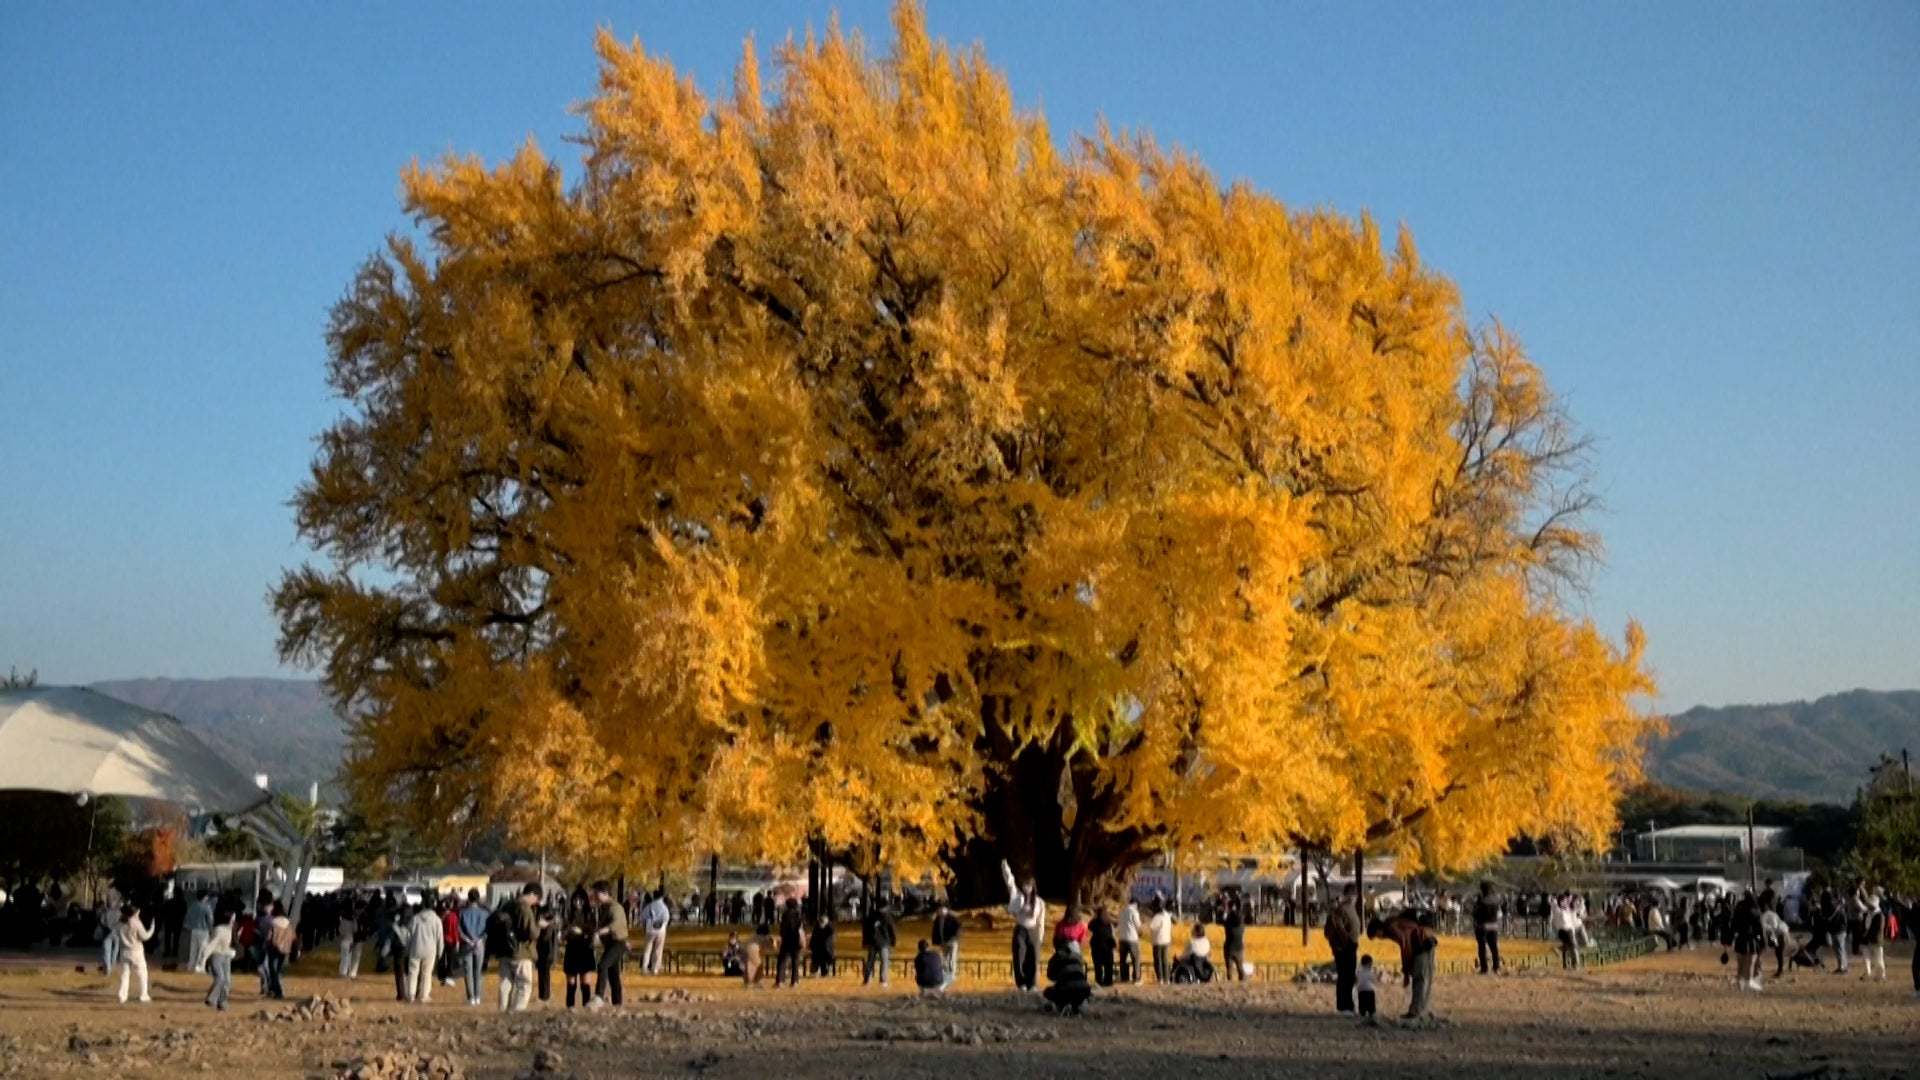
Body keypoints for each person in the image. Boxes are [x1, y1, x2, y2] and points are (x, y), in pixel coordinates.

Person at [1367, 913, 1438, 1021]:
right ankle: (1422, 1009)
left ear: (1378, 930)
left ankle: (1416, 1011)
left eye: (1377, 936)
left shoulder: (1391, 928)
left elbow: (1406, 946)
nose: (1381, 939)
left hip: (1421, 943)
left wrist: (1406, 971)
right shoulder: (1394, 922)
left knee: (1420, 978)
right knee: (1425, 978)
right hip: (1427, 940)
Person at [1000, 860, 1047, 992]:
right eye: (1025, 885)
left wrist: (1040, 936)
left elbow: (1041, 921)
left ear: (1033, 886)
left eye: (1029, 885)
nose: (1027, 888)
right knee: (1020, 954)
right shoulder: (1017, 897)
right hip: (1021, 929)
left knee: (1033, 957)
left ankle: (1032, 984)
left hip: (1033, 930)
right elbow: (1010, 882)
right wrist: (1005, 868)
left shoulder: (1039, 902)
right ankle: (1021, 983)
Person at [498, 883, 542, 1012]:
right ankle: (518, 1011)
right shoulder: (525, 908)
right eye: (537, 900)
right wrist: (540, 926)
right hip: (522, 952)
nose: (536, 903)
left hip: (505, 951)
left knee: (505, 984)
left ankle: (503, 1010)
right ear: (533, 895)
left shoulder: (507, 905)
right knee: (524, 984)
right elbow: (532, 932)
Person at [589, 880, 628, 1008]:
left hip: (618, 943)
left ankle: (599, 997)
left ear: (605, 893)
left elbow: (615, 925)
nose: (594, 895)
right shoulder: (602, 908)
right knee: (613, 973)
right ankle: (618, 1004)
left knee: (603, 965)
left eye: (596, 893)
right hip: (610, 944)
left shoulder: (615, 907)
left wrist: (600, 932)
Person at [1325, 885, 1363, 1014]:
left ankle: (1349, 1005)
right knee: (1344, 977)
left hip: (1351, 946)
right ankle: (1343, 1006)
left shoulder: (1350, 909)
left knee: (1350, 977)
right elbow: (1335, 928)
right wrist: (1343, 943)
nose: (1354, 898)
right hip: (1344, 947)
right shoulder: (1341, 910)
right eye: (1353, 896)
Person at [113, 902, 155, 1004]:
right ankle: (143, 995)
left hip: (124, 952)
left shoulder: (119, 923)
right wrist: (152, 927)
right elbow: (145, 936)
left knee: (124, 974)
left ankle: (122, 996)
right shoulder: (135, 922)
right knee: (142, 974)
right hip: (136, 951)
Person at [405, 899, 443, 1003]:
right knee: (427, 973)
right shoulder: (436, 920)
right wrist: (440, 951)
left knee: (413, 972)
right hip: (430, 949)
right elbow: (440, 937)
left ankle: (411, 994)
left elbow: (408, 935)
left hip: (416, 947)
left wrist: (407, 949)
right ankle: (424, 995)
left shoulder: (415, 918)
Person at [563, 889, 596, 1008]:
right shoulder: (568, 914)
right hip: (571, 948)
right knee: (571, 982)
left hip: (585, 948)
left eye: (580, 900)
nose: (577, 902)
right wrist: (568, 931)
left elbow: (592, 931)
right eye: (575, 899)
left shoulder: (590, 914)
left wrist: (584, 933)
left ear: (584, 901)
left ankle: (586, 1007)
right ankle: (570, 1007)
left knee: (585, 981)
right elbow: (563, 934)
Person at [456, 890, 490, 1006]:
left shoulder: (462, 913)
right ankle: (478, 996)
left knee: (468, 972)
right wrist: (480, 940)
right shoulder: (485, 913)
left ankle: (471, 997)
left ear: (469, 898)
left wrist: (467, 940)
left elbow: (459, 930)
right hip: (480, 945)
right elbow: (487, 930)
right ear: (479, 898)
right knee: (478, 972)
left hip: (467, 944)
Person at [1042, 938, 1093, 1016]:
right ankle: (1077, 1008)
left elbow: (1050, 976)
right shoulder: (1079, 958)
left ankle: (1059, 1007)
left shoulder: (1057, 956)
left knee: (1048, 991)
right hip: (1084, 989)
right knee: (1075, 991)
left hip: (1065, 990)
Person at [1731, 892, 1764, 991]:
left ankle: (1740, 981)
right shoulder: (1754, 911)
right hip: (1750, 939)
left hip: (1739, 939)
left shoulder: (1738, 911)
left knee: (1740, 963)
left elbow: (1733, 926)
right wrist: (1762, 940)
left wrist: (1729, 938)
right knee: (1750, 962)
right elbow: (1759, 927)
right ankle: (1749, 981)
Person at [263, 901, 296, 1000]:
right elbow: (293, 936)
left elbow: (269, 937)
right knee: (278, 970)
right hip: (285, 948)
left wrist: (265, 942)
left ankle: (278, 991)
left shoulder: (273, 922)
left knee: (272, 970)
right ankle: (275, 990)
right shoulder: (288, 922)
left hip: (273, 948)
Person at [204, 909, 235, 1010]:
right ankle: (211, 998)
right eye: (232, 919)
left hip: (226, 957)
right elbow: (212, 944)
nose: (233, 922)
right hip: (217, 956)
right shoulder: (219, 929)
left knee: (227, 981)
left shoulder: (230, 930)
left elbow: (226, 945)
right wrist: (204, 959)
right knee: (220, 978)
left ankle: (222, 1002)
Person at [862, 900, 896, 987]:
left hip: (874, 941)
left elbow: (866, 930)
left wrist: (865, 941)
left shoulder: (871, 916)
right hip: (883, 942)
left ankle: (868, 979)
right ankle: (882, 980)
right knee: (883, 961)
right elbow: (892, 929)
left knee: (871, 961)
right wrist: (893, 941)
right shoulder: (887, 916)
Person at [1471, 881, 1502, 974]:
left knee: (1482, 947)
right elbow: (1499, 912)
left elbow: (1475, 912)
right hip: (1494, 925)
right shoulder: (1495, 900)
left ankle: (1484, 968)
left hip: (1482, 926)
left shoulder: (1481, 900)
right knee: (1494, 947)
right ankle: (1496, 967)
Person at [640, 890, 672, 976]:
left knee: (647, 949)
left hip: (650, 929)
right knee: (658, 949)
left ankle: (644, 968)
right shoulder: (664, 907)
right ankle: (655, 968)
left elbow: (642, 917)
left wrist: (645, 926)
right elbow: (667, 918)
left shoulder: (649, 906)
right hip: (661, 929)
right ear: (661, 897)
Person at [776, 897, 805, 987]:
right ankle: (795, 981)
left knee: (782, 960)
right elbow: (801, 927)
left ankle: (780, 980)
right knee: (795, 960)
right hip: (795, 939)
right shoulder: (798, 914)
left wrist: (782, 936)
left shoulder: (785, 914)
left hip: (786, 939)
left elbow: (782, 928)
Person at [184, 890, 215, 975]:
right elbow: (210, 920)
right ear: (205, 897)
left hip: (194, 930)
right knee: (202, 950)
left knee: (193, 949)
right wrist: (211, 929)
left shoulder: (192, 906)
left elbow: (187, 917)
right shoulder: (206, 907)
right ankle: (199, 966)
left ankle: (191, 965)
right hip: (203, 930)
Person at [931, 903, 962, 986]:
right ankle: (946, 974)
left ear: (946, 910)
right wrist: (936, 941)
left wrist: (954, 937)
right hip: (943, 942)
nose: (940, 911)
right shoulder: (938, 919)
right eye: (939, 910)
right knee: (944, 959)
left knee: (952, 958)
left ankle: (952, 975)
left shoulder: (952, 919)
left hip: (952, 942)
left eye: (942, 909)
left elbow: (958, 928)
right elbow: (935, 931)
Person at [1858, 895, 1886, 981]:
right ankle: (1867, 974)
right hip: (1866, 940)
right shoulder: (1867, 914)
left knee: (1879, 960)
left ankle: (1881, 976)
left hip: (1876, 940)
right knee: (1866, 958)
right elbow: (1863, 925)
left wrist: (1867, 934)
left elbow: (1879, 929)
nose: (1870, 906)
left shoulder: (1880, 915)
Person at [1088, 904, 1116, 988]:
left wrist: (1095, 916)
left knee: (1098, 965)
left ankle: (1099, 980)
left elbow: (1089, 927)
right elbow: (1112, 933)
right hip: (1108, 945)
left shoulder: (1095, 922)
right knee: (1108, 965)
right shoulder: (1108, 922)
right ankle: (1108, 981)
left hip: (1097, 945)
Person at [1147, 899, 1173, 983]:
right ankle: (1167, 978)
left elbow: (1152, 927)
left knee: (1158, 960)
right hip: (1167, 940)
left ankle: (1160, 978)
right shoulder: (1167, 916)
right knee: (1165, 960)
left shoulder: (1157, 917)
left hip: (1158, 941)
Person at [1118, 897, 1143, 985]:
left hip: (1122, 938)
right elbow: (1138, 926)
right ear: (1135, 904)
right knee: (1135, 959)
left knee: (1123, 960)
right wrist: (1140, 934)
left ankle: (1124, 978)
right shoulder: (1134, 912)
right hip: (1132, 939)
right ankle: (1136, 979)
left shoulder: (1122, 911)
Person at [1221, 899, 1247, 981]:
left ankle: (1230, 985)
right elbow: (1240, 915)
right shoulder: (1242, 926)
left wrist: (1226, 910)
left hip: (1229, 948)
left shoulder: (1228, 925)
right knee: (1240, 968)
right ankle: (1243, 982)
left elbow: (1223, 919)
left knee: (1229, 970)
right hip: (1239, 948)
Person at [1355, 953, 1379, 1018]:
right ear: (1369, 963)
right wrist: (1376, 974)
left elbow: (1357, 980)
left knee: (1362, 1004)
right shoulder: (1370, 972)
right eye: (1371, 963)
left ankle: (1362, 1013)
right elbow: (1374, 980)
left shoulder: (1359, 972)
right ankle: (1371, 1014)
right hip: (1369, 991)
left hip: (1361, 991)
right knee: (1371, 1005)